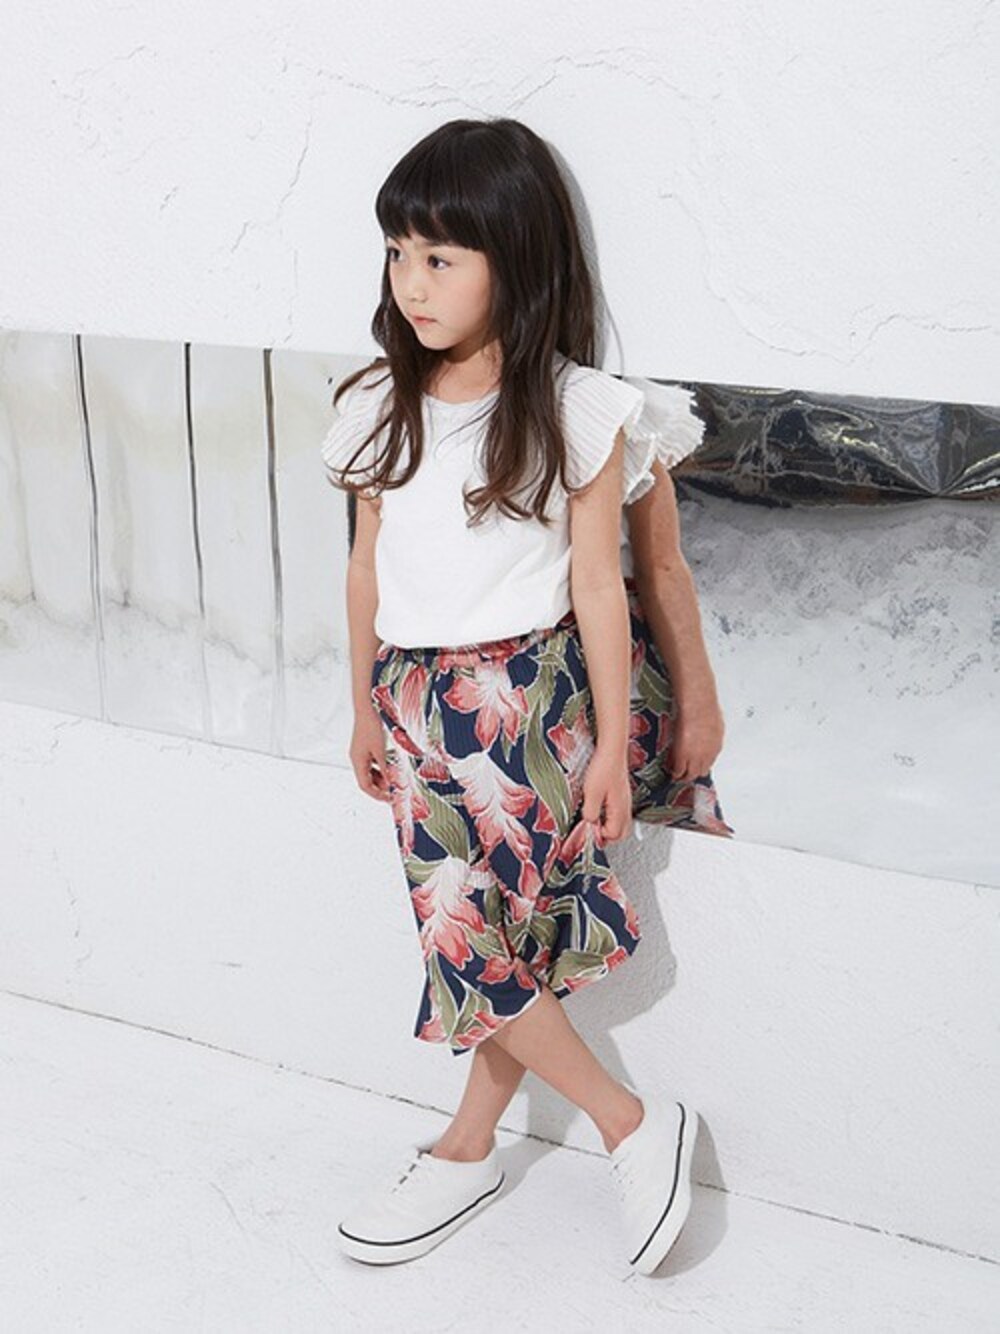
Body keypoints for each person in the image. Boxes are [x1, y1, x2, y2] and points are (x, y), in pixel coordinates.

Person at [319, 117, 729, 1276]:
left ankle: (611, 1124)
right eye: (396, 253)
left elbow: (601, 584)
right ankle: (490, 1140)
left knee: (473, 937)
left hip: (528, 703)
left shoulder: (574, 407)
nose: (410, 282)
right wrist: (363, 705)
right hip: (415, 703)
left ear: (516, 259)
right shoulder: (375, 402)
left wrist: (606, 746)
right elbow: (363, 570)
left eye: (439, 258)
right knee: (491, 937)